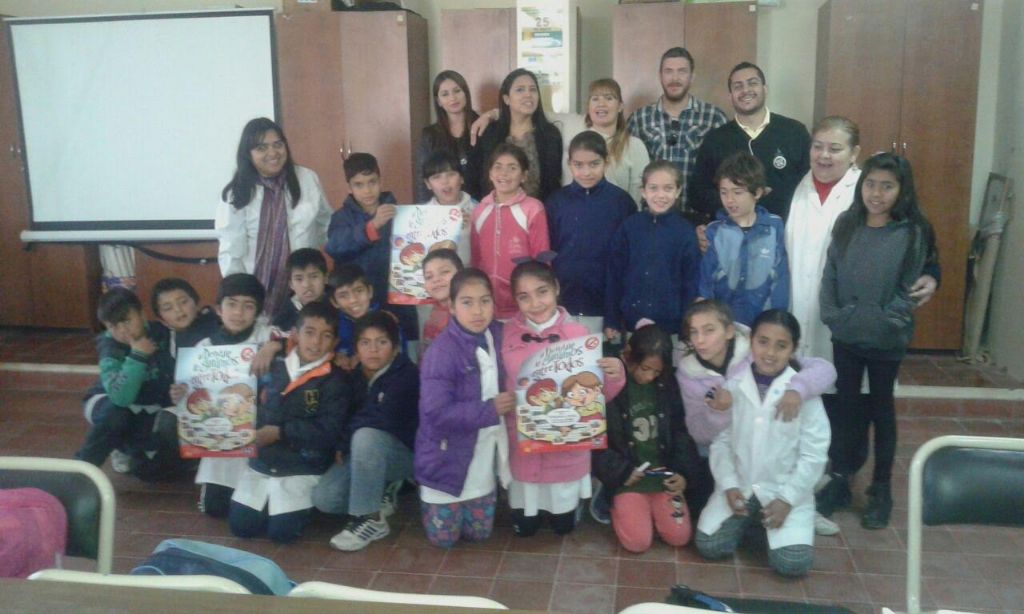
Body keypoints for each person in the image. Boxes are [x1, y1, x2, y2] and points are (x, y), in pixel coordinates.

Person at [816, 153, 939, 530]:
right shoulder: (847, 222)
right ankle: (841, 479)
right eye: (870, 184)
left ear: (902, 190)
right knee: (847, 408)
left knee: (882, 411)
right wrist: (835, 315)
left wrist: (887, 320)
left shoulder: (913, 230)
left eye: (887, 186)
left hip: (886, 339)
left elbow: (910, 286)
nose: (877, 193)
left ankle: (881, 489)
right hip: (847, 334)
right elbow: (831, 272)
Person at [675, 300, 837, 534]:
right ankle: (753, 516)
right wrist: (720, 411)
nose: (700, 340)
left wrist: (798, 389)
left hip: (773, 448)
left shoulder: (758, 348)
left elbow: (824, 369)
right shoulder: (688, 373)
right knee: (703, 513)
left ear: (729, 331)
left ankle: (800, 508)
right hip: (719, 451)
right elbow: (699, 433)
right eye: (694, 332)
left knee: (787, 464)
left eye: (709, 330)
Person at [696, 310, 830, 578]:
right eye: (763, 342)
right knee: (709, 544)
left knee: (791, 565)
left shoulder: (804, 394)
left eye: (781, 346)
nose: (770, 353)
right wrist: (729, 485)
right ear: (751, 342)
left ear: (793, 349)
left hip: (783, 490)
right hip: (741, 485)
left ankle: (770, 520)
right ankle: (755, 520)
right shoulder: (734, 385)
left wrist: (787, 500)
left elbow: (814, 455)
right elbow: (721, 441)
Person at [500, 260, 625, 537]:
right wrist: (502, 401)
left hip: (565, 447)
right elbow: (497, 381)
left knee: (562, 527)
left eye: (542, 292)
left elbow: (595, 396)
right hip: (524, 445)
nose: (535, 303)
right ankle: (528, 511)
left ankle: (570, 508)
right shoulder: (506, 333)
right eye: (524, 296)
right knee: (525, 528)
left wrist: (615, 375)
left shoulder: (580, 335)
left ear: (556, 288)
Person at [228, 302, 348, 544]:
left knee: (282, 535)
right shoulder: (271, 365)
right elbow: (243, 401)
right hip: (263, 463)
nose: (316, 343)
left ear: (335, 342)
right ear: (294, 334)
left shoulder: (336, 380)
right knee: (241, 528)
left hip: (302, 466)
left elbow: (329, 431)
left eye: (326, 336)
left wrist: (279, 433)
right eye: (309, 332)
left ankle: (302, 510)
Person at [415, 269, 515, 548]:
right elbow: (436, 413)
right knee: (444, 540)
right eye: (467, 302)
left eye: (485, 301)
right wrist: (489, 409)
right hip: (445, 461)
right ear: (451, 306)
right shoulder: (441, 352)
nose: (478, 311)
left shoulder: (498, 335)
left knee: (480, 535)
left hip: (481, 459)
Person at [592, 322, 702, 553]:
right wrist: (621, 472)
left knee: (679, 536)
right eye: (644, 368)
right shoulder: (610, 382)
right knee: (638, 542)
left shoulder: (668, 384)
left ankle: (651, 510)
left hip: (662, 475)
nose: (650, 377)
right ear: (628, 355)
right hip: (627, 477)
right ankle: (611, 501)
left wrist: (682, 473)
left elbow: (679, 431)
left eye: (657, 371)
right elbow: (595, 439)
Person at [314, 311, 419, 551]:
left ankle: (369, 518)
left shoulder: (407, 374)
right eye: (365, 343)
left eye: (382, 342)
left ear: (395, 348)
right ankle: (382, 491)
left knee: (366, 435)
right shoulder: (354, 377)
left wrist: (344, 442)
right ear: (356, 349)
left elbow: (381, 418)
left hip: (406, 457)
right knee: (326, 499)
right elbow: (344, 415)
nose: (373, 350)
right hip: (367, 455)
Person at [216, 117, 333, 316]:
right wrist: (241, 294)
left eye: (277, 145)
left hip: (302, 289)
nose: (272, 153)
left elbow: (326, 224)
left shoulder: (306, 179)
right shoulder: (236, 192)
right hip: (255, 290)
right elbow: (230, 250)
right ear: (248, 154)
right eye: (261, 148)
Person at [184, 273, 275, 518]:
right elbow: (193, 395)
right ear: (218, 308)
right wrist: (181, 394)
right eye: (232, 304)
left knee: (252, 509)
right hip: (220, 436)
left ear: (258, 312)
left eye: (248, 306)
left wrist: (273, 346)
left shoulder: (266, 336)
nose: (238, 312)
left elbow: (296, 341)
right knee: (215, 509)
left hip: (259, 429)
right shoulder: (204, 347)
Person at [75, 287, 179, 480]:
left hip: (148, 406)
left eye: (127, 321)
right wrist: (138, 356)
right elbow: (121, 398)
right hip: (107, 401)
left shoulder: (161, 333)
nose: (122, 331)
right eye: (113, 326)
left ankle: (124, 447)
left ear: (142, 314)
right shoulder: (110, 347)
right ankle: (80, 471)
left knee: (147, 468)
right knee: (116, 415)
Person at [688, 62, 810, 226]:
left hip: (786, 230)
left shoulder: (794, 132)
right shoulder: (715, 139)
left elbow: (809, 184)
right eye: (738, 86)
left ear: (765, 89)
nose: (745, 90)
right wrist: (739, 199)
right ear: (730, 96)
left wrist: (770, 199)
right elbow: (697, 194)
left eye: (752, 83)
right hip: (731, 232)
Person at [324, 152, 418, 343]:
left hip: (398, 300)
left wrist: (455, 221)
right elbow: (334, 247)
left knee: (402, 347)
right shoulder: (341, 218)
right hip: (358, 304)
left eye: (372, 182)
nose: (367, 190)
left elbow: (424, 246)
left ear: (380, 181)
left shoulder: (402, 213)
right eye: (359, 185)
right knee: (362, 348)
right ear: (349, 187)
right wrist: (371, 227)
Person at [547, 131, 634, 333]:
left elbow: (627, 259)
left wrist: (615, 314)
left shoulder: (622, 203)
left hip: (606, 306)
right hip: (563, 304)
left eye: (594, 164)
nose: (586, 172)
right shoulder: (556, 203)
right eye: (578, 165)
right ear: (569, 164)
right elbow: (549, 252)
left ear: (606, 162)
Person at [604, 161, 700, 341]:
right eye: (653, 188)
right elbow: (614, 275)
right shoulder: (629, 227)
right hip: (632, 323)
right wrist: (612, 319)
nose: (660, 195)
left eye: (668, 188)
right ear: (643, 191)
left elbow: (691, 283)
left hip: (672, 329)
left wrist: (686, 328)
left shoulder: (685, 232)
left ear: (678, 191)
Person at [626, 47, 727, 212]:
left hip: (698, 216)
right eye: (668, 71)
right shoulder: (640, 119)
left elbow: (725, 173)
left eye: (682, 71)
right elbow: (630, 171)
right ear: (660, 76)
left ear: (692, 77)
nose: (675, 78)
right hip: (651, 216)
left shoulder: (713, 118)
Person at [698, 152, 789, 326]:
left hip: (763, 326)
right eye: (723, 192)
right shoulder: (714, 231)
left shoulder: (775, 227)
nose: (729, 200)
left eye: (737, 192)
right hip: (724, 325)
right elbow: (706, 283)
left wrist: (776, 321)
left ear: (758, 192)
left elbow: (781, 279)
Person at [470, 143, 550, 320]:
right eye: (498, 167)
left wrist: (539, 299)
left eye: (512, 168)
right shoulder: (479, 210)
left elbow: (542, 259)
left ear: (524, 176)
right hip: (486, 307)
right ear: (490, 173)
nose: (504, 173)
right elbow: (476, 259)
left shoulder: (533, 208)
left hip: (524, 306)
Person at [474, 69, 562, 203]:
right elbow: (481, 178)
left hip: (539, 210)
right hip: (496, 208)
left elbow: (553, 182)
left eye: (533, 90)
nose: (528, 94)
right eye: (520, 90)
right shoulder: (490, 133)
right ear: (506, 99)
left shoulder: (550, 134)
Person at [416, 70, 482, 202]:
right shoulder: (430, 135)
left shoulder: (483, 127)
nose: (452, 98)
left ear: (466, 93)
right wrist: (427, 210)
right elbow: (423, 179)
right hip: (443, 207)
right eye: (445, 94)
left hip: (480, 203)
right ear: (439, 101)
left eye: (457, 91)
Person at [421, 150, 478, 264]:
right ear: (428, 184)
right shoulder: (421, 215)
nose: (445, 181)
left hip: (470, 273)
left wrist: (474, 226)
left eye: (451, 174)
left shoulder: (478, 209)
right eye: (436, 177)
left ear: (461, 178)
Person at [151, 277, 220, 357]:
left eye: (183, 302)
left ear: (197, 303)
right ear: (162, 320)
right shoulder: (163, 340)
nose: (178, 309)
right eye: (168, 308)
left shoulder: (217, 326)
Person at [419, 248, 464, 353]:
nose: (436, 279)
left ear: (461, 274)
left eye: (444, 272)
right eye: (429, 277)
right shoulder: (430, 315)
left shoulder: (470, 312)